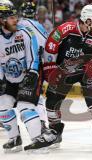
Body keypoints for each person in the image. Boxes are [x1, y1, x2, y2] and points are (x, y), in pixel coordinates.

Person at [43, 4, 92, 152]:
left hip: (85, 72)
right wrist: (50, 69)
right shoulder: (65, 29)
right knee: (51, 100)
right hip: (64, 71)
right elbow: (50, 47)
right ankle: (55, 131)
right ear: (88, 21)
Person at [0, 1, 56, 153]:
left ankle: (38, 139)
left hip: (29, 74)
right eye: (11, 17)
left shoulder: (25, 32)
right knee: (2, 106)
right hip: (9, 78)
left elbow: (33, 56)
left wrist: (32, 72)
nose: (15, 20)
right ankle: (14, 138)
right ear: (1, 19)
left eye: (15, 16)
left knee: (25, 107)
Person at [18, 1, 49, 132]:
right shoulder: (39, 27)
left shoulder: (16, 24)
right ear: (35, 13)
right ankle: (41, 123)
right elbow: (46, 47)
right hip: (34, 66)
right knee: (37, 97)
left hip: (15, 66)